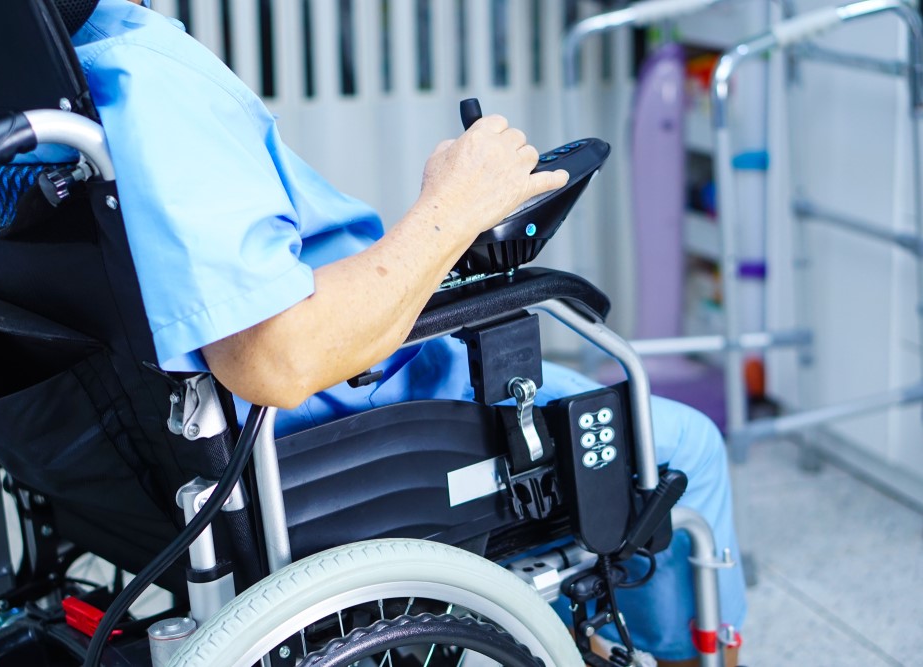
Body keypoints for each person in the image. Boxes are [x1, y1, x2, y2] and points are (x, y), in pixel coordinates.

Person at [58, 1, 747, 664]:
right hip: (339, 430)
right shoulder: (146, 75)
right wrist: (457, 204)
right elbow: (278, 357)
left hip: (125, 454)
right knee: (686, 445)